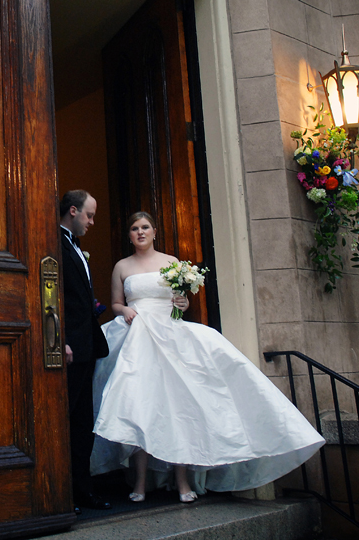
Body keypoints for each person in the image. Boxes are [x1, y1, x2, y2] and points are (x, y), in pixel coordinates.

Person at [91, 211, 325, 503]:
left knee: (179, 408)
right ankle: (139, 483)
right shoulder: (121, 266)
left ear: (154, 231)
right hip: (137, 338)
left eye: (145, 227)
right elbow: (115, 302)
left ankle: (183, 481)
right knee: (140, 407)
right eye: (135, 228)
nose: (140, 232)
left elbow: (181, 302)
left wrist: (183, 302)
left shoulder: (172, 262)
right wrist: (123, 310)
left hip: (171, 337)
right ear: (129, 234)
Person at [59, 190, 112, 511]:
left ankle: (84, 490)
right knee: (65, 419)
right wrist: (60, 338)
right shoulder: (53, 242)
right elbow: (53, 292)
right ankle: (61, 494)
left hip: (87, 346)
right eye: (89, 216)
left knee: (83, 422)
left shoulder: (75, 246)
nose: (92, 222)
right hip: (68, 347)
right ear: (74, 211)